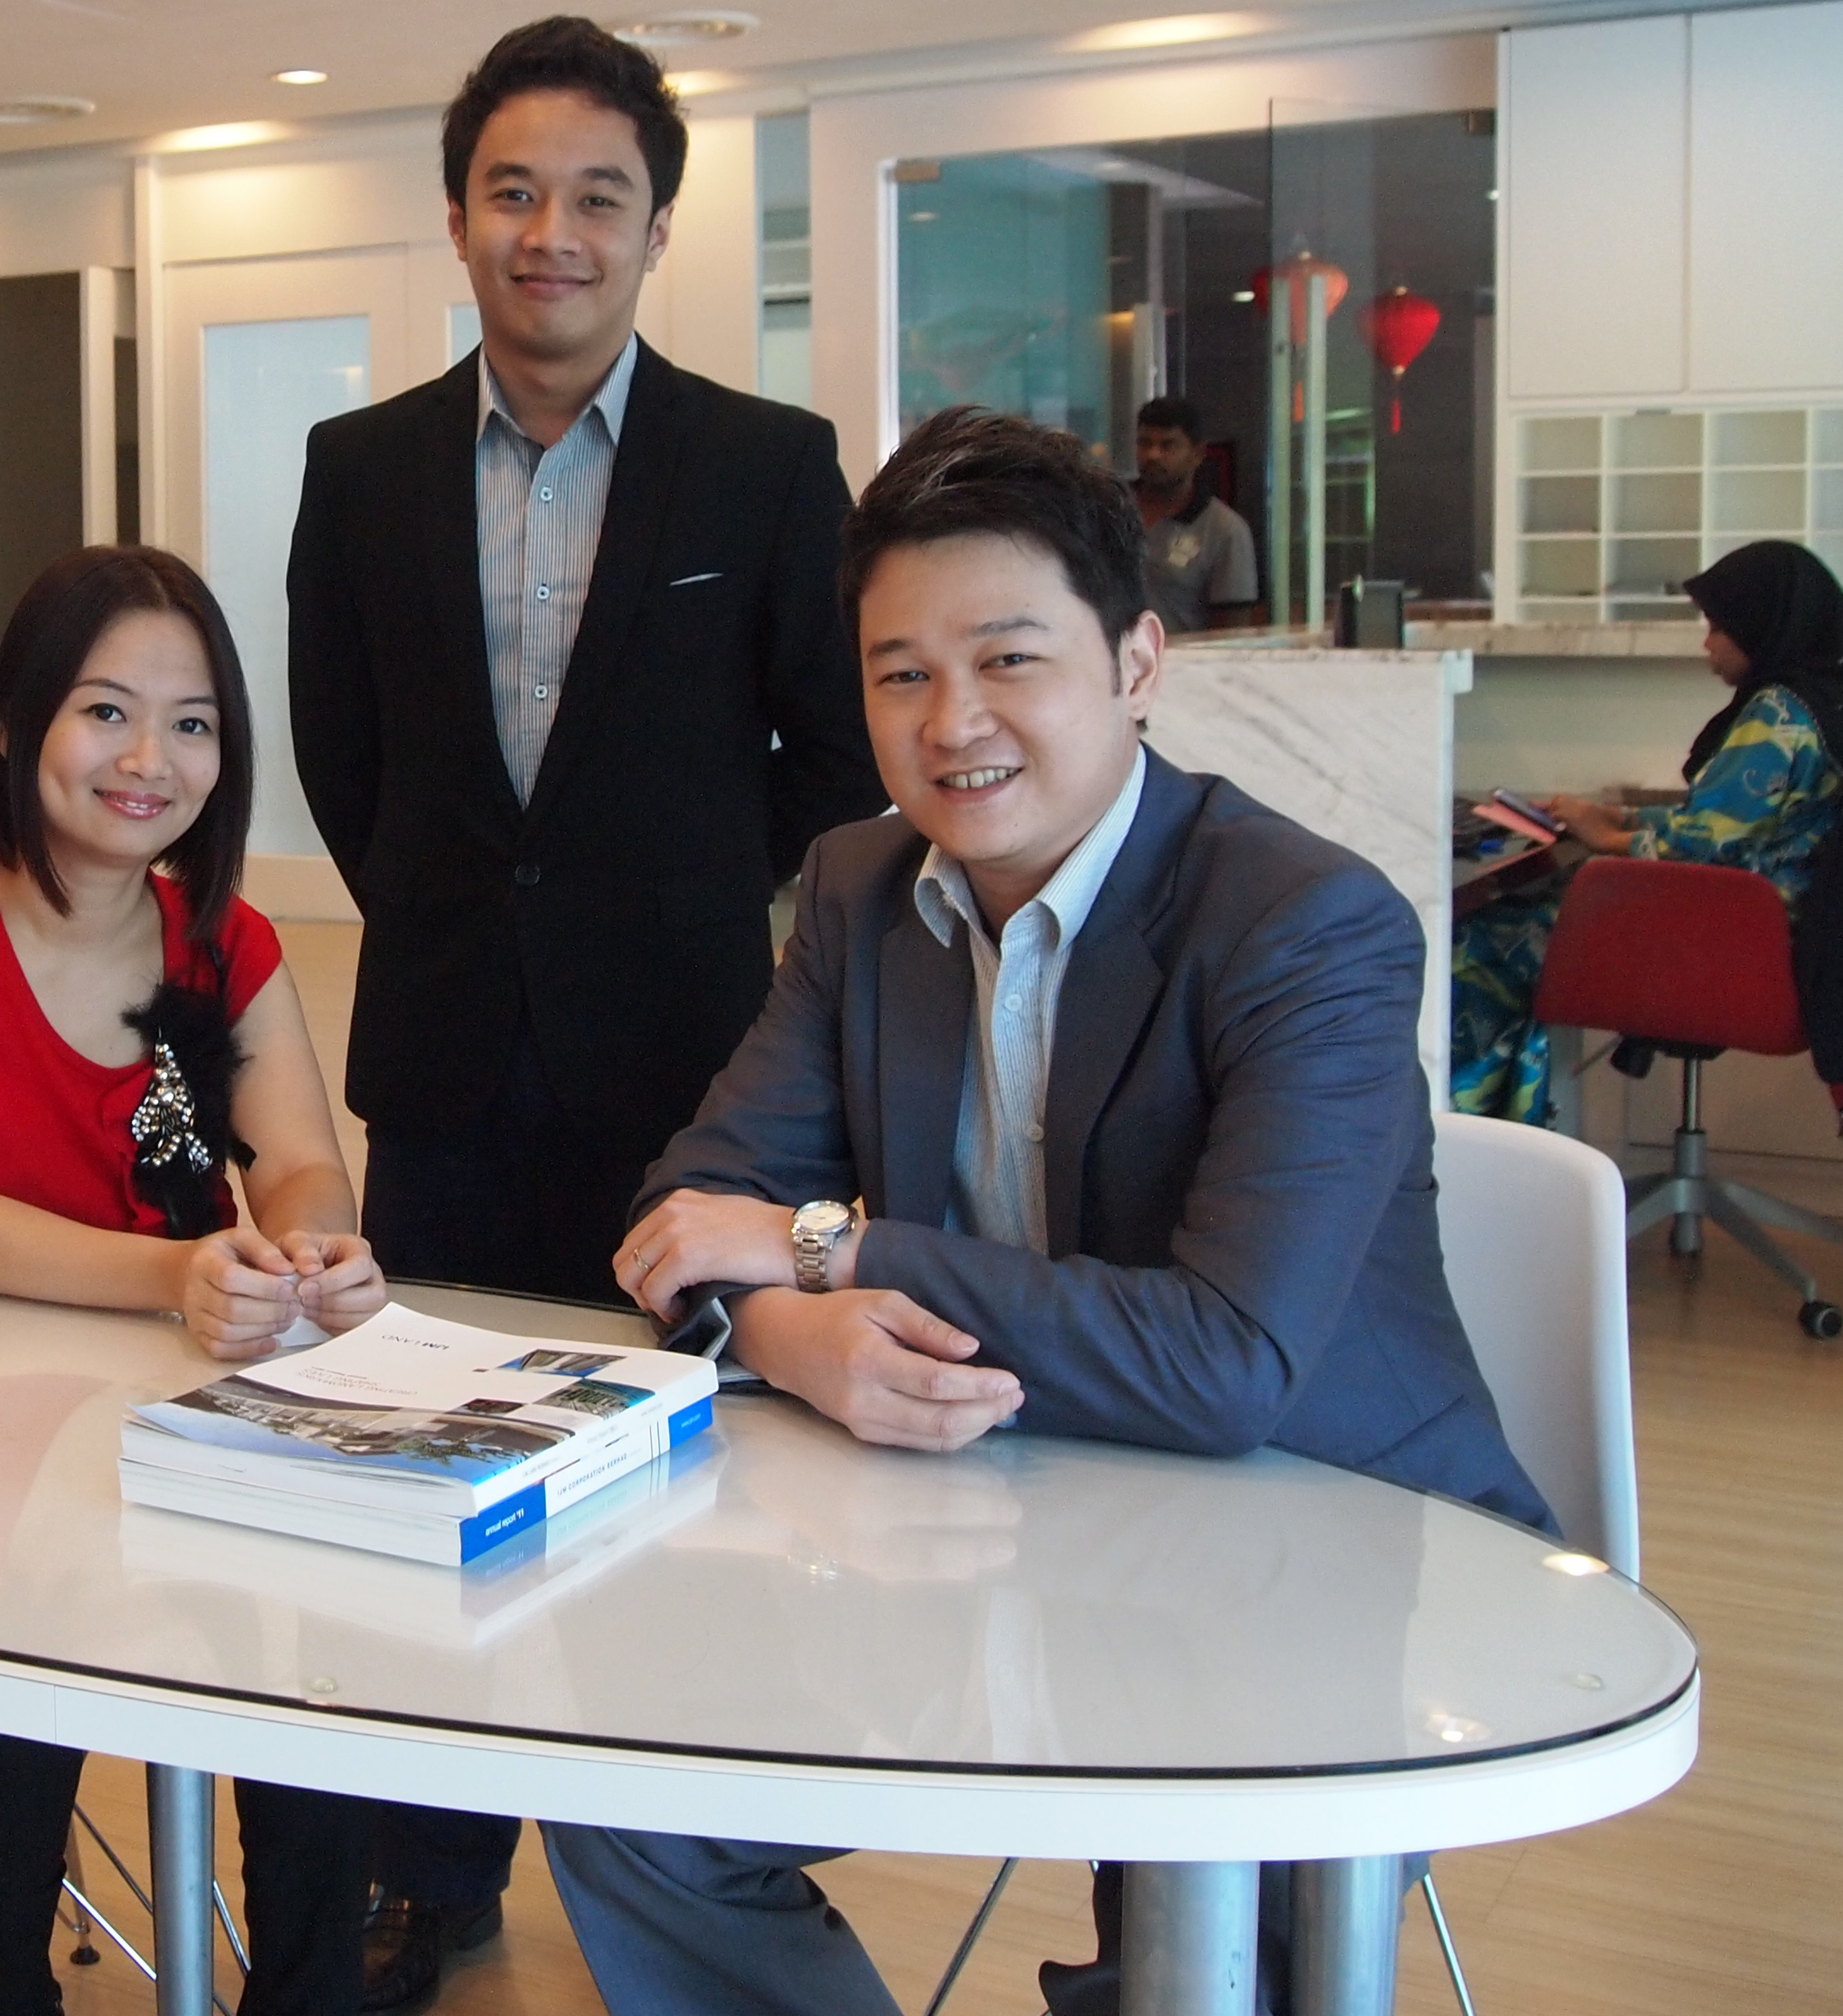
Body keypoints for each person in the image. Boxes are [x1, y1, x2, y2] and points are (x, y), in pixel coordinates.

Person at [576, 405, 1543, 2016]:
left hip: (1326, 1545)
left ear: (1136, 661)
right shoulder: (860, 889)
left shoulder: (1306, 923)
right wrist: (795, 1335)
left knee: (1191, 1950)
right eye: (900, 673)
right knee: (628, 1789)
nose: (952, 722)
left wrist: (831, 1247)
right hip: (1003, 1509)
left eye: (1008, 659)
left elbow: (1226, 1362)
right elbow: (690, 1209)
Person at [285, 15, 880, 2009]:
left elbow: (833, 753)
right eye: (515, 191)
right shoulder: (360, 468)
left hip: (684, 1072)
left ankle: (674, 1868)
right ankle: (431, 1872)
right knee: (435, 1460)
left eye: (598, 197)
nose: (554, 232)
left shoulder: (768, 465)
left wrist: (681, 892)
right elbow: (344, 752)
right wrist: (471, 908)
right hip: (447, 1057)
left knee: (676, 1473)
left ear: (655, 229)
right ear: (459, 216)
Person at [0, 544, 386, 2016]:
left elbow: (298, 1157)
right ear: (17, 724)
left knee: (325, 1636)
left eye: (192, 723)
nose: (150, 761)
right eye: (107, 712)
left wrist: (313, 1245)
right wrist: (178, 1271)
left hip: (172, 1408)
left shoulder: (223, 941)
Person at [1451, 537, 1843, 1129]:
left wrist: (1609, 841)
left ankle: (1468, 1138)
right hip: (1772, 937)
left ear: (1762, 626)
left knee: (1476, 939)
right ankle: (1513, 1133)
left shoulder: (1777, 715)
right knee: (1526, 914)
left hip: (1726, 944)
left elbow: (1697, 848)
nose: (1707, 643)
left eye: (1718, 627)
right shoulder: (1827, 706)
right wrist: (1624, 822)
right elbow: (1742, 828)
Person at [1125, 395, 1259, 634]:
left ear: (1197, 454)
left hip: (1182, 656)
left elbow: (1231, 632)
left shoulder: (1225, 530)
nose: (1153, 455)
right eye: (1145, 443)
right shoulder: (1110, 510)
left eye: (1167, 445)